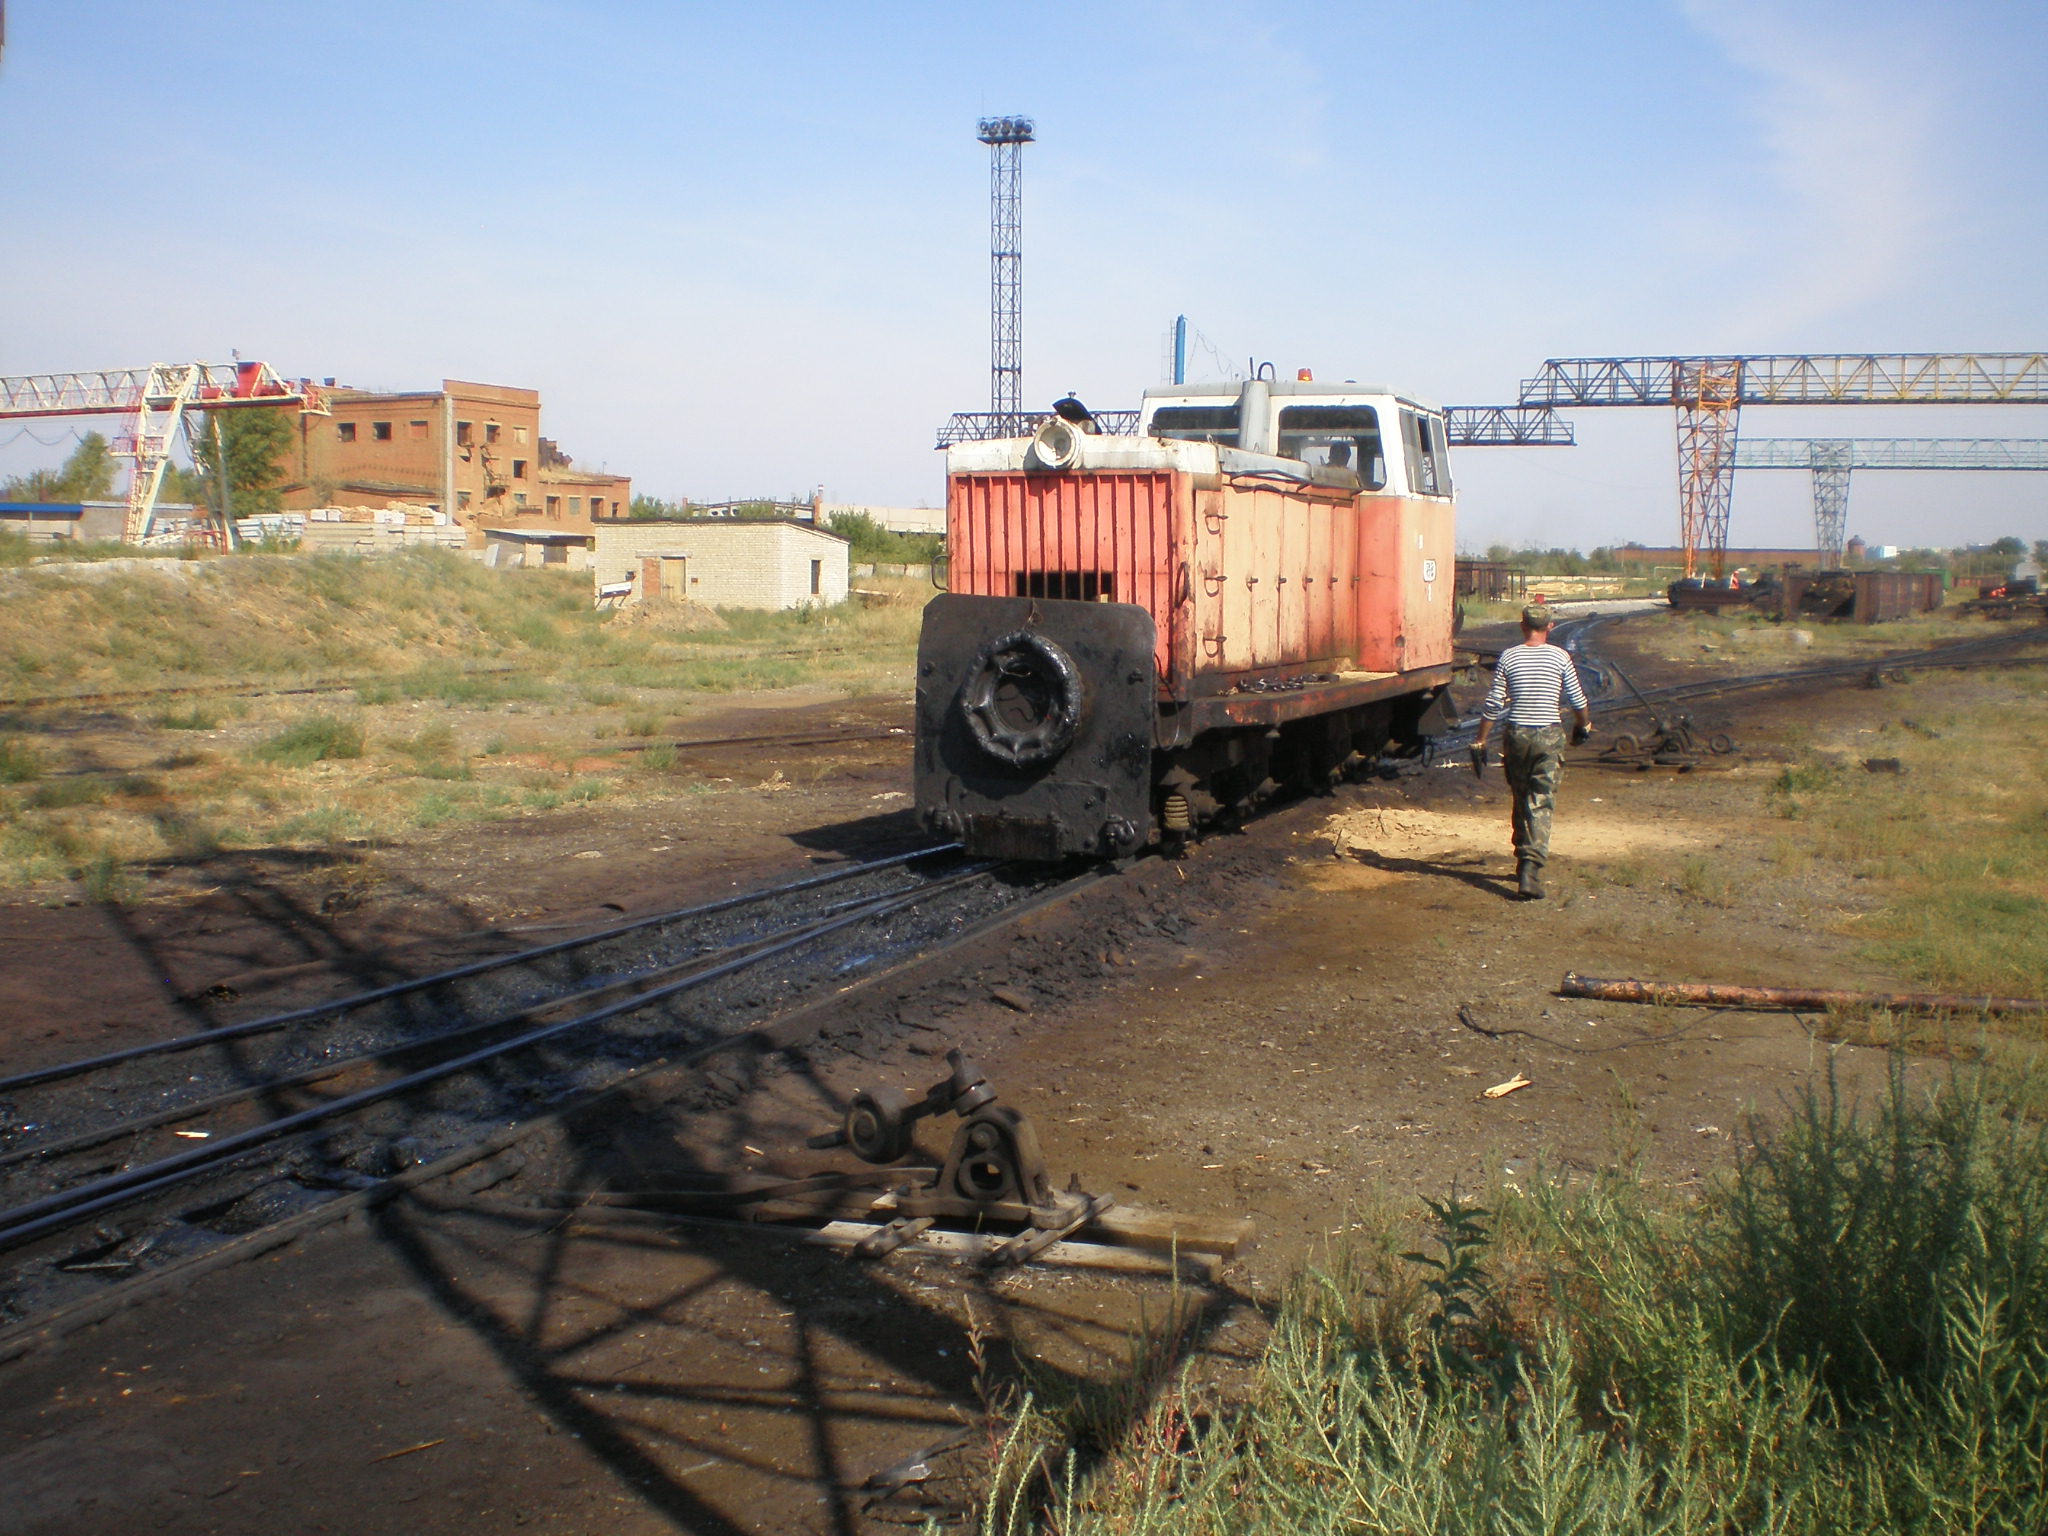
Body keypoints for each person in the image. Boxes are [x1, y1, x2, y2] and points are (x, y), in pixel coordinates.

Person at [1470, 605, 1593, 900]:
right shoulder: (1560, 657)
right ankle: (1530, 867)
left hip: (1517, 735)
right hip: (1548, 735)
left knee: (1521, 795)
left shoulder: (1509, 657)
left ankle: (1521, 854)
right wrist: (1584, 725)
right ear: (1550, 626)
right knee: (1540, 800)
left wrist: (1480, 740)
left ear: (1522, 625)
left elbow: (1494, 704)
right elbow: (1577, 699)